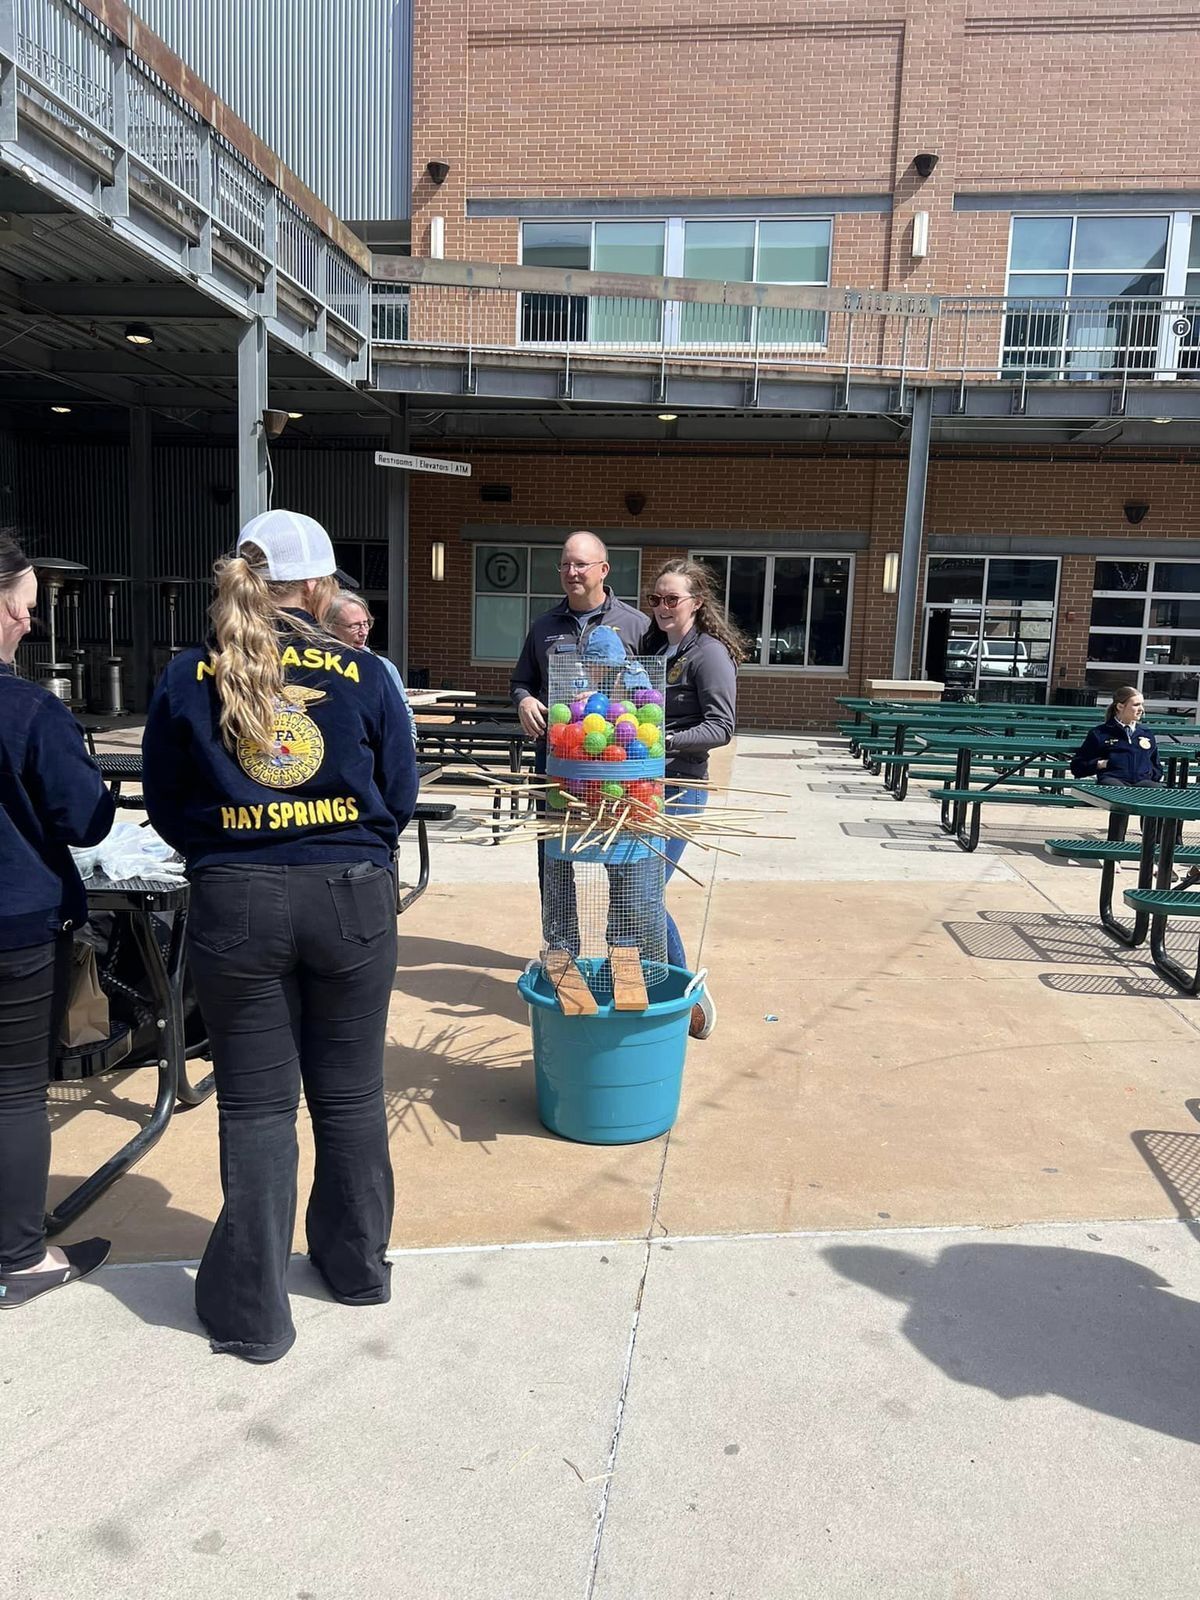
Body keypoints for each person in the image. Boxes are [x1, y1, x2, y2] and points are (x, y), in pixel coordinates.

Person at [142, 509, 418, 1363]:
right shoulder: (366, 672)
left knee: (259, 1109)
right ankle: (357, 1266)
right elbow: (398, 792)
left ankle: (255, 1314)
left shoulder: (191, 674)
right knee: (349, 1095)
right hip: (350, 898)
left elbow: (165, 801)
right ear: (320, 588)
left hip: (238, 899)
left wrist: (233, 849)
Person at [0, 531, 115, 1309]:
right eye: (27, 608)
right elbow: (87, 820)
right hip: (14, 921)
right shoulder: (30, 711)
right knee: (12, 1093)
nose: (31, 624)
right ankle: (16, 1258)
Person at [511, 531, 649, 889]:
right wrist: (524, 700)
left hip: (617, 761)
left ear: (604, 569)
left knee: (621, 853)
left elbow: (652, 694)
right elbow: (521, 681)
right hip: (559, 759)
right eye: (565, 564)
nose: (571, 572)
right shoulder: (544, 626)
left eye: (581, 564)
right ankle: (559, 942)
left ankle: (621, 941)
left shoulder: (637, 625)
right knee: (555, 854)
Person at [643, 558, 745, 1039]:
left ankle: (690, 996)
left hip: (681, 787)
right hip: (640, 786)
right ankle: (649, 981)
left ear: (696, 603)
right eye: (656, 599)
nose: (662, 607)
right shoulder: (653, 648)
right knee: (631, 889)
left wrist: (663, 739)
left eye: (672, 599)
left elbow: (721, 727)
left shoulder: (709, 655)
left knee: (642, 892)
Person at [326, 590, 417, 745]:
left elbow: (404, 719)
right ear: (329, 626)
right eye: (354, 626)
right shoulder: (315, 666)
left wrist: (404, 755)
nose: (363, 632)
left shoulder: (383, 667)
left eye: (366, 623)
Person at [1070, 687, 1161, 786]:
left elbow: (1156, 765)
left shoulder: (1146, 733)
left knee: (1157, 791)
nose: (1141, 709)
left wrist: (1152, 774)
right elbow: (1077, 766)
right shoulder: (1100, 733)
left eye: (1142, 704)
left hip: (1142, 782)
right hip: (1113, 781)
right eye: (1136, 705)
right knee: (1113, 789)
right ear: (1120, 707)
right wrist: (1099, 764)